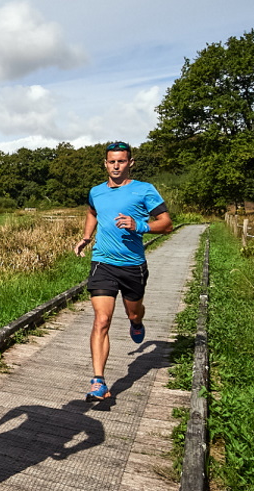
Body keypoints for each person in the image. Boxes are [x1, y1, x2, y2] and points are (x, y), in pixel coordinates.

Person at [72, 141, 172, 401]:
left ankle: (136, 322)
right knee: (101, 320)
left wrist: (139, 224)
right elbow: (92, 212)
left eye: (121, 161)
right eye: (112, 161)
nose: (116, 165)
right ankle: (98, 381)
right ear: (105, 163)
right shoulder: (96, 191)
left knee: (133, 310)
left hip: (132, 266)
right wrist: (86, 236)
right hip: (103, 262)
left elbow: (167, 224)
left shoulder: (144, 190)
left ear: (130, 163)